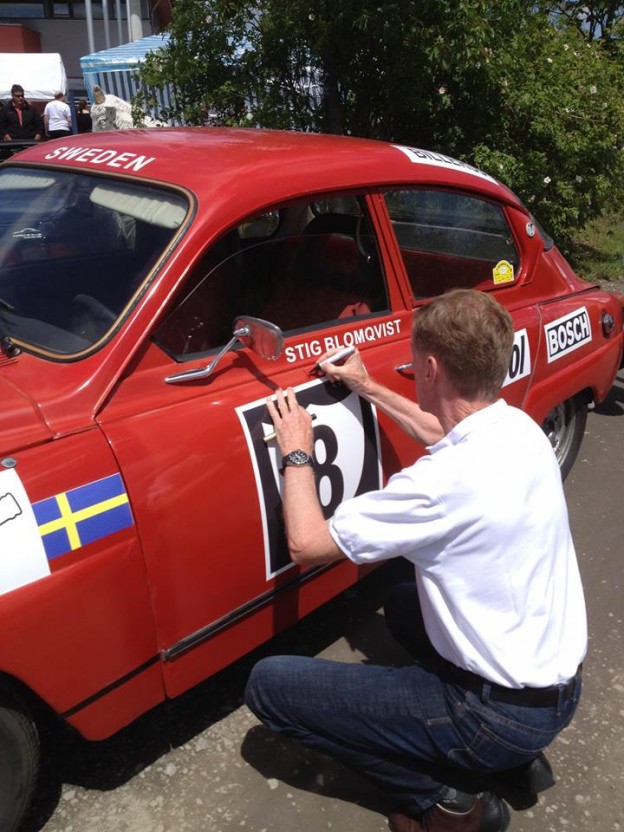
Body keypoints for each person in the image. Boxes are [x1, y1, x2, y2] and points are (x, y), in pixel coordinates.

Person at [245, 289, 586, 832]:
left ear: (429, 368)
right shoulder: (518, 428)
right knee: (407, 604)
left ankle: (447, 802)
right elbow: (444, 432)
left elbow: (306, 544)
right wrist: (367, 385)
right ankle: (513, 758)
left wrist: (296, 449)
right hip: (557, 691)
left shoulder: (439, 485)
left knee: (268, 686)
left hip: (495, 715)